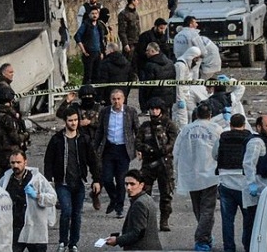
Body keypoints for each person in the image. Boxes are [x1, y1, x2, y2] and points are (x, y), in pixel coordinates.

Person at [0, 150, 57, 252]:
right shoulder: (6, 179)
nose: (15, 166)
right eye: (13, 163)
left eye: (18, 162)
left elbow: (53, 198)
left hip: (35, 228)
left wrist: (37, 195)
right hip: (15, 229)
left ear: (25, 162)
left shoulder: (37, 179)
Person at [44, 107, 99, 252]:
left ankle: (73, 243)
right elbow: (48, 160)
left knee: (76, 214)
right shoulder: (56, 140)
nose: (73, 123)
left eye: (76, 120)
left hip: (79, 182)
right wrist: (48, 180)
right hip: (62, 183)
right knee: (66, 211)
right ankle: (62, 242)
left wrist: (96, 180)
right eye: (70, 120)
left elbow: (93, 161)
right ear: (65, 121)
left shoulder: (84, 139)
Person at [173, 104, 222, 251]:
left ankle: (204, 235)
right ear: (210, 114)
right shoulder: (215, 129)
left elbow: (177, 151)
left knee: (198, 209)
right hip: (210, 175)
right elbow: (221, 150)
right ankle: (202, 238)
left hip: (192, 176)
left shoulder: (186, 130)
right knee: (207, 210)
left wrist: (178, 170)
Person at [54, 84, 103, 210]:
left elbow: (104, 123)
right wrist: (67, 101)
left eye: (90, 96)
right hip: (77, 143)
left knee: (98, 172)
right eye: (85, 97)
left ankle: (95, 193)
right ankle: (65, 196)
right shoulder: (76, 108)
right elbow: (60, 114)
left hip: (95, 145)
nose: (87, 99)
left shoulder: (99, 108)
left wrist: (91, 123)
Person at [94, 89, 139, 218]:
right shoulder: (105, 112)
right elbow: (100, 131)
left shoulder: (130, 111)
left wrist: (139, 147)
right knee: (106, 178)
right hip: (109, 148)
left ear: (123, 99)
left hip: (123, 150)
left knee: (121, 180)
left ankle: (119, 208)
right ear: (110, 100)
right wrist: (95, 148)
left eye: (119, 99)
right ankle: (114, 199)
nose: (116, 101)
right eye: (114, 99)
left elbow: (137, 130)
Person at [211, 113, 253, 252]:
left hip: (226, 183)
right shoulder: (250, 139)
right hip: (244, 184)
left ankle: (229, 249)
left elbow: (215, 155)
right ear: (244, 125)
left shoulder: (222, 138)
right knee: (248, 219)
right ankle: (248, 247)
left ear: (230, 125)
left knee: (227, 220)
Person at [136, 97, 179, 232]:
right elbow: (137, 142)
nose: (154, 112)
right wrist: (147, 149)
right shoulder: (145, 126)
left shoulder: (169, 125)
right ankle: (147, 220)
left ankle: (164, 220)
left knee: (166, 194)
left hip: (164, 163)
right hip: (148, 163)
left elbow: (173, 142)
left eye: (156, 109)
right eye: (152, 109)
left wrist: (163, 150)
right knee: (145, 193)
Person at [242, 115, 267, 250]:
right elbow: (248, 164)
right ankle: (249, 250)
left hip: (263, 189)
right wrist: (252, 184)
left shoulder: (265, 142)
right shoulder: (256, 142)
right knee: (251, 223)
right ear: (258, 127)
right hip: (255, 191)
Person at [105, 170, 162, 250]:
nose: (128, 188)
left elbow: (137, 233)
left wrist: (117, 240)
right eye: (126, 184)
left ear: (141, 185)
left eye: (132, 184)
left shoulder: (139, 204)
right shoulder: (147, 199)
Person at [0, 86, 29, 180]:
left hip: (0, 150)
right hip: (11, 151)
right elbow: (15, 138)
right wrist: (25, 135)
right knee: (14, 177)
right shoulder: (7, 118)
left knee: (2, 176)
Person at [73, 5, 108, 84]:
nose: (94, 15)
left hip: (98, 53)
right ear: (89, 14)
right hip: (89, 53)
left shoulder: (99, 25)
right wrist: (83, 50)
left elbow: (101, 39)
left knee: (97, 74)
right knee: (88, 75)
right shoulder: (86, 24)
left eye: (96, 13)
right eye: (92, 13)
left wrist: (101, 52)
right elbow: (77, 36)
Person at [172, 46, 202, 129]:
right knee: (182, 120)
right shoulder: (180, 65)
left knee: (189, 116)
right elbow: (178, 84)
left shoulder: (189, 64)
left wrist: (197, 65)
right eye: (196, 58)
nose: (196, 61)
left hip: (186, 94)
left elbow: (193, 78)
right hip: (180, 97)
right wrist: (179, 100)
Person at [141, 42, 176, 113]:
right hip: (169, 96)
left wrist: (145, 99)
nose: (146, 52)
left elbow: (148, 85)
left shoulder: (150, 65)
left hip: (155, 98)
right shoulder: (170, 63)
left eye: (147, 50)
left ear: (153, 51)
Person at [117, 0, 141, 67]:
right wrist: (125, 44)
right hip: (129, 43)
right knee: (128, 64)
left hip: (136, 42)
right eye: (137, 0)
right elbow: (122, 31)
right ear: (132, 1)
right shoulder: (123, 14)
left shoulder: (135, 13)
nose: (138, 2)